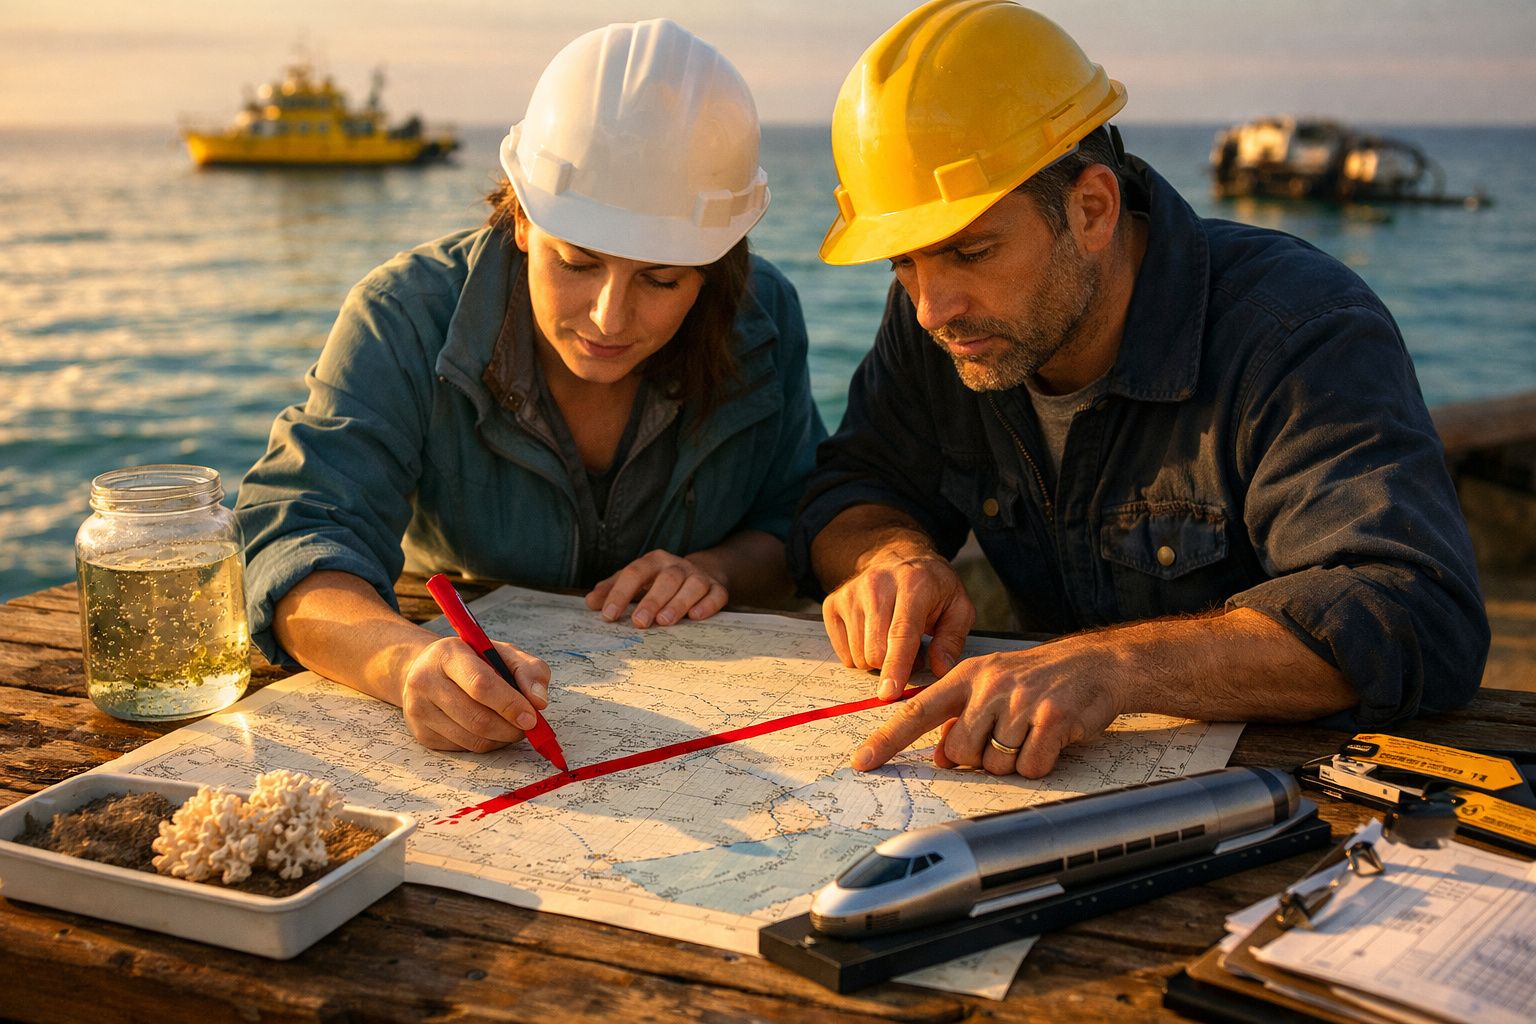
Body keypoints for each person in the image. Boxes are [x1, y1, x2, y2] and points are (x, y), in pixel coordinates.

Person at [788, 0, 1488, 779]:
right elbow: (857, 483)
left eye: (973, 251)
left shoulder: (1300, 329)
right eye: (903, 264)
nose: (931, 307)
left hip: (1300, 797)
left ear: (1092, 208)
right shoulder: (944, 317)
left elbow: (1414, 611)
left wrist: (1115, 667)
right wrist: (887, 556)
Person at [236, 19, 826, 754]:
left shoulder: (762, 315)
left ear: (716, 264)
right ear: (521, 218)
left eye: (662, 279)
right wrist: (402, 660)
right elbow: (298, 540)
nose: (610, 317)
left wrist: (718, 569)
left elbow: (803, 521)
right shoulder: (404, 314)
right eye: (577, 263)